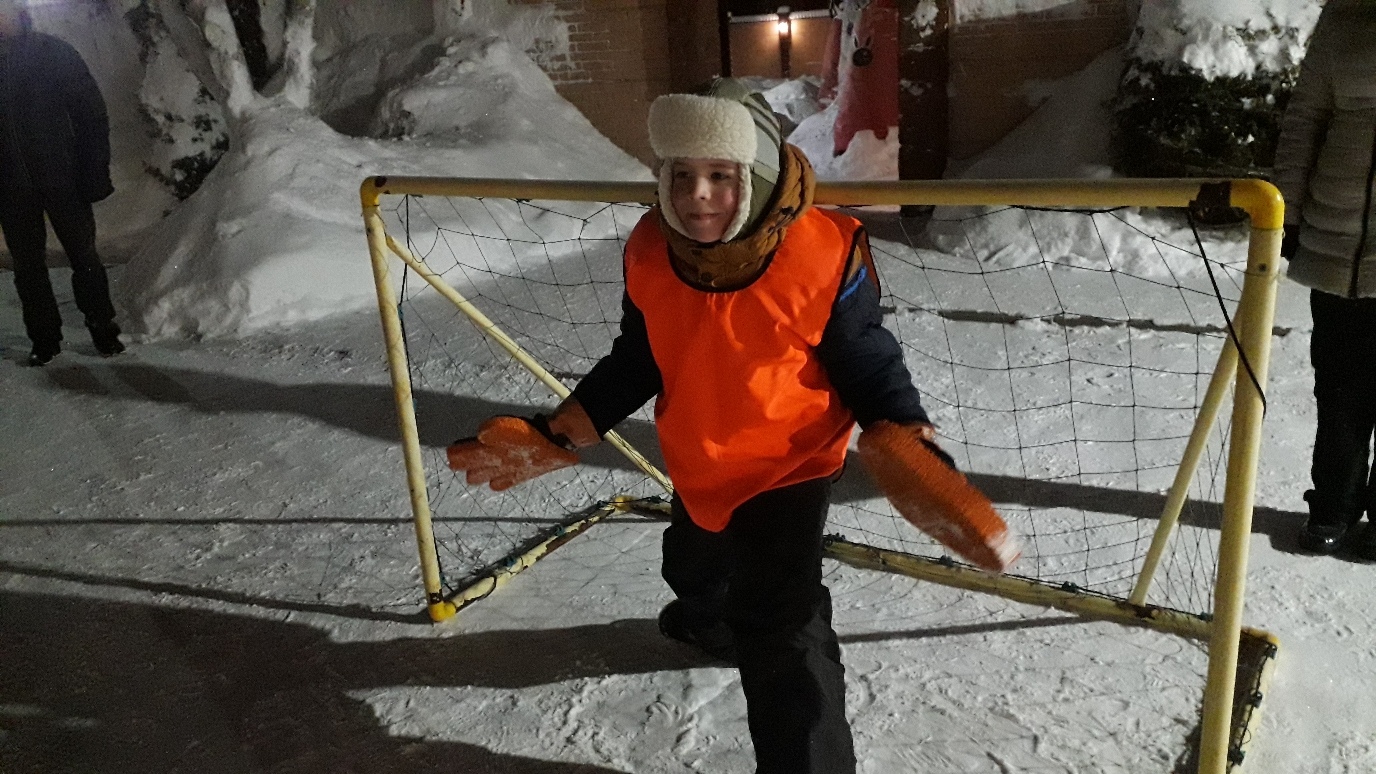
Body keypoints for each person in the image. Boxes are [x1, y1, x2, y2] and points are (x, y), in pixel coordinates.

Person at [447, 79, 1016, 773]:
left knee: (782, 623)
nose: (698, 194)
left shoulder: (824, 252)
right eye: (681, 174)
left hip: (791, 463)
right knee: (693, 566)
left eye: (721, 175)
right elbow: (640, 356)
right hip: (699, 457)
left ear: (761, 176)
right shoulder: (650, 249)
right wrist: (562, 430)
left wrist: (902, 430)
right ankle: (708, 624)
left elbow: (866, 357)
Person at [1272, 0, 1376, 560]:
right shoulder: (1344, 18)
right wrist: (1286, 213)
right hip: (1338, 241)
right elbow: (1305, 119)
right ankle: (1333, 506)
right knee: (1338, 389)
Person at [0, 0, 123, 366]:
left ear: (18, 12)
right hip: (10, 186)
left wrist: (93, 169)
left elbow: (90, 113)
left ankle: (102, 328)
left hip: (63, 177)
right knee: (27, 267)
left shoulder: (51, 52)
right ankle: (44, 339)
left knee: (83, 255)